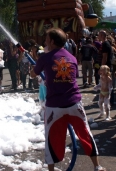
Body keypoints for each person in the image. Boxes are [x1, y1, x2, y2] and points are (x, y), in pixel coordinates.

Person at [33, 28, 105, 171]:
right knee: (85, 133)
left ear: (52, 41)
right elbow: (71, 77)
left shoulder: (45, 57)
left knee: (51, 138)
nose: (45, 41)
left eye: (47, 39)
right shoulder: (71, 57)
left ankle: (51, 170)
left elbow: (33, 73)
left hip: (55, 105)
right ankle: (97, 166)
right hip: (74, 103)